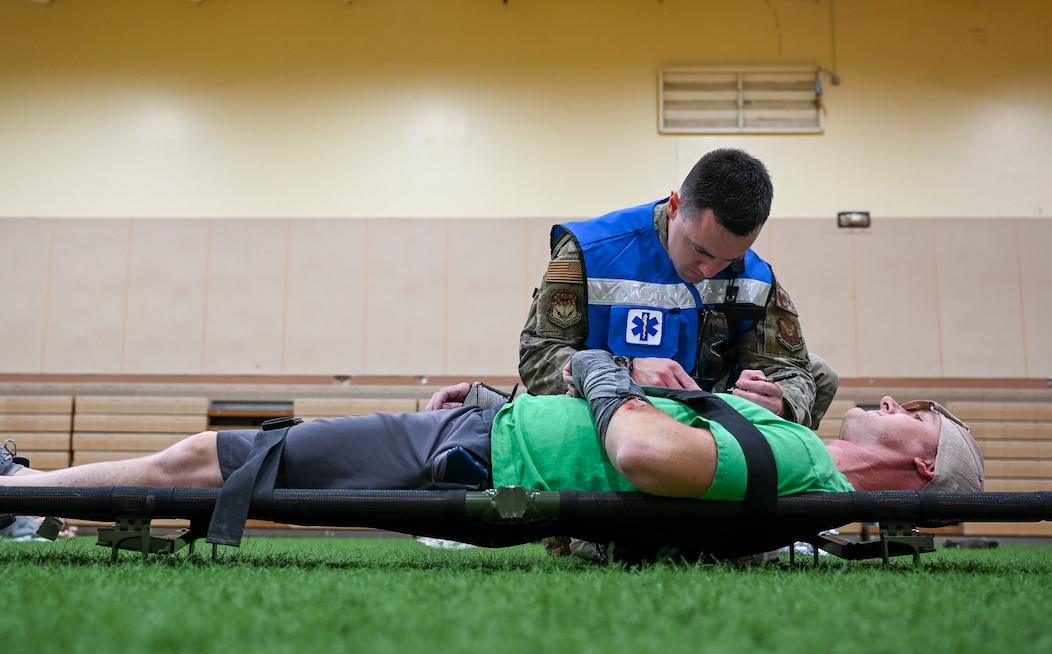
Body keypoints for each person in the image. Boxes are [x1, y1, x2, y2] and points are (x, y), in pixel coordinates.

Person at [0, 352, 984, 529]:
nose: (891, 399)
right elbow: (629, 441)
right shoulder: (796, 455)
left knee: (201, 459)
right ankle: (32, 493)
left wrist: (600, 372)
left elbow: (641, 453)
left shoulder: (803, 466)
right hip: (483, 430)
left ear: (921, 463)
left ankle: (24, 498)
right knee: (205, 462)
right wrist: (491, 390)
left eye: (912, 413)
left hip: (472, 455)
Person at [519, 147, 837, 431]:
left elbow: (792, 370)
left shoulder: (755, 278)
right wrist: (622, 372)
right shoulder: (589, 252)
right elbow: (538, 356)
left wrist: (779, 402)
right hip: (606, 422)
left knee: (820, 372)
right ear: (674, 205)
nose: (709, 271)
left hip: (707, 436)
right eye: (701, 250)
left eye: (730, 258)